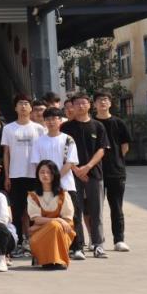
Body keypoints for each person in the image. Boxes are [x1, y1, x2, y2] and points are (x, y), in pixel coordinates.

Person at [60, 93, 111, 259]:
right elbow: (64, 152)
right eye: (77, 104)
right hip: (72, 175)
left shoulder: (98, 126)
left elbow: (102, 149)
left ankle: (98, 244)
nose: (81, 106)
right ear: (72, 107)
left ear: (89, 105)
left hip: (94, 174)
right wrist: (76, 170)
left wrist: (87, 167)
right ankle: (78, 246)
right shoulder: (66, 128)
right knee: (75, 211)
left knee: (96, 211)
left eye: (84, 103)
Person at [31, 107, 84, 260]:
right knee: (50, 217)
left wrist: (55, 178)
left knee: (73, 216)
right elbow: (37, 164)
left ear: (60, 120)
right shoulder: (39, 141)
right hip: (46, 187)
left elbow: (70, 162)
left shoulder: (68, 139)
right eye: (48, 119)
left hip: (66, 185)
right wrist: (46, 179)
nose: (51, 122)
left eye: (54, 118)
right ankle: (53, 246)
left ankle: (77, 247)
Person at [1, 93, 45, 255]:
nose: (23, 106)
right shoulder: (8, 128)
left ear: (31, 107)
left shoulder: (39, 129)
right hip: (15, 174)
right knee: (18, 210)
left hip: (34, 175)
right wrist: (7, 176)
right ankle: (19, 242)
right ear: (15, 107)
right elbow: (6, 153)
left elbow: (42, 152)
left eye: (26, 103)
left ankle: (34, 242)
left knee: (34, 211)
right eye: (20, 103)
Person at [94, 90, 132, 252]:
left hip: (116, 172)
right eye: (99, 100)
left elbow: (125, 146)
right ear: (94, 104)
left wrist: (115, 160)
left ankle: (119, 240)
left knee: (116, 207)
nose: (103, 102)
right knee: (95, 209)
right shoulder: (91, 123)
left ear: (110, 103)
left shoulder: (119, 123)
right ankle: (96, 241)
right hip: (96, 172)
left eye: (105, 100)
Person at [27, 159, 76, 269]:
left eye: (49, 172)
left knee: (55, 226)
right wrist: (57, 220)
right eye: (42, 172)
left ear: (54, 175)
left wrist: (56, 223)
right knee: (54, 225)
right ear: (37, 174)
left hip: (62, 232)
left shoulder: (63, 194)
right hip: (40, 234)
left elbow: (68, 219)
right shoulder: (33, 196)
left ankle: (56, 259)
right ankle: (49, 259)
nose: (45, 175)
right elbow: (36, 219)